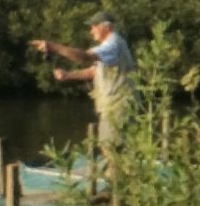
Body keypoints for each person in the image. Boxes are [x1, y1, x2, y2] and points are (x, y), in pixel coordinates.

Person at [30, 11, 137, 186]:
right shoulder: (108, 47)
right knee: (111, 148)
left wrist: (54, 47)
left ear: (106, 27)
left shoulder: (112, 45)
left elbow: (83, 57)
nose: (91, 31)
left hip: (119, 106)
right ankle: (118, 191)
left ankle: (119, 193)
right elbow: (94, 71)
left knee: (112, 147)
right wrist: (68, 76)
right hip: (114, 106)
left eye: (93, 27)